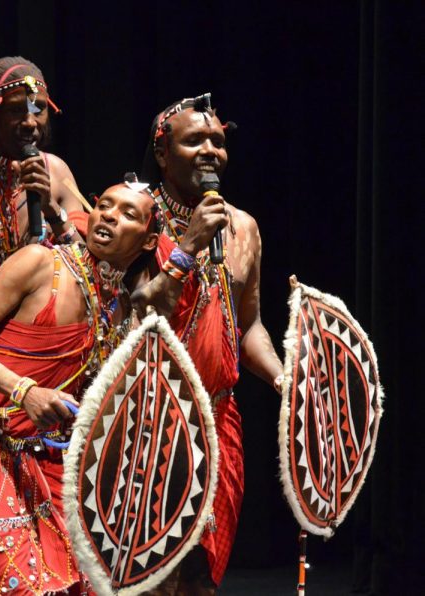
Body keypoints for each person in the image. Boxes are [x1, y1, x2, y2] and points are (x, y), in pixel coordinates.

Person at [0, 182, 159, 594]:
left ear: (149, 239)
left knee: (82, 585)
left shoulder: (120, 305)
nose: (108, 216)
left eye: (128, 214)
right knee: (18, 586)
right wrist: (24, 391)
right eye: (103, 205)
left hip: (44, 457)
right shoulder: (42, 263)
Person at [137, 93, 284, 594]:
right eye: (194, 139)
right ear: (162, 153)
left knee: (201, 578)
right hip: (147, 423)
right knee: (149, 576)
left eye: (217, 142)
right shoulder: (130, 216)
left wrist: (282, 377)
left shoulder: (243, 227)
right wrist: (189, 244)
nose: (209, 150)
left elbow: (250, 327)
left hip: (220, 421)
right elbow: (135, 309)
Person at [0, 56, 91, 263]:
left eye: (38, 109)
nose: (30, 122)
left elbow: (85, 268)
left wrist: (50, 208)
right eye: (16, 110)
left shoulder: (57, 171)